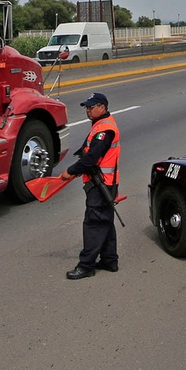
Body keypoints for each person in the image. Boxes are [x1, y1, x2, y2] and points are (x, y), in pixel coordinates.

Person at [59, 92, 121, 280]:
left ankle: (86, 266)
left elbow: (92, 158)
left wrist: (71, 170)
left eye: (91, 107)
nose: (88, 110)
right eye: (86, 107)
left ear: (102, 107)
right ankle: (110, 260)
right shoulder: (102, 123)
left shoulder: (105, 129)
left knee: (94, 224)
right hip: (104, 182)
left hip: (101, 183)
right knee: (105, 222)